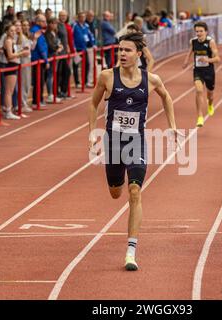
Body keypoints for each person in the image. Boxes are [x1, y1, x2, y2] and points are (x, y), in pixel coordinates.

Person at [88, 31, 179, 271]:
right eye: (120, 50)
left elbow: (167, 97)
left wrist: (172, 127)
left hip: (136, 141)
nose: (122, 54)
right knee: (115, 193)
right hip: (113, 143)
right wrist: (91, 131)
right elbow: (93, 103)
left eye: (127, 50)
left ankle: (131, 251)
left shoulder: (152, 80)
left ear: (139, 54)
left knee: (135, 191)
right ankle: (116, 184)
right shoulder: (107, 77)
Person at [182, 21, 220, 127]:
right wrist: (186, 61)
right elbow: (190, 51)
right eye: (197, 31)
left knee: (210, 94)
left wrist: (207, 59)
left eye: (201, 31)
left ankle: (210, 104)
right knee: (199, 90)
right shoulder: (193, 42)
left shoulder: (211, 42)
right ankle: (200, 116)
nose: (198, 33)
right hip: (198, 70)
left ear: (206, 32)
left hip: (209, 71)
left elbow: (218, 58)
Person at [3, 24, 28, 119]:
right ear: (7, 32)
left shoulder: (12, 41)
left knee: (11, 90)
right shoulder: (8, 41)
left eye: (14, 31)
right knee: (9, 91)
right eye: (11, 31)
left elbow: (13, 53)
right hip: (11, 65)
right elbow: (10, 56)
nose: (13, 32)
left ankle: (9, 110)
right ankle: (8, 111)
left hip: (14, 65)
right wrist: (21, 53)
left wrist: (20, 51)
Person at [30, 14, 49, 108]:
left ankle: (38, 100)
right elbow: (41, 47)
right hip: (38, 60)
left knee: (40, 81)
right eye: (43, 21)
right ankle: (37, 101)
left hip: (39, 59)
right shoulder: (36, 31)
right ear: (38, 22)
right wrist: (46, 61)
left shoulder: (38, 30)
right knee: (39, 81)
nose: (45, 23)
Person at [73, 12, 95, 88]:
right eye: (81, 17)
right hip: (77, 50)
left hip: (84, 49)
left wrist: (93, 44)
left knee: (87, 65)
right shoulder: (75, 26)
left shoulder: (86, 26)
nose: (82, 18)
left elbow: (90, 35)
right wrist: (73, 47)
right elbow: (71, 37)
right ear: (78, 18)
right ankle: (77, 82)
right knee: (76, 66)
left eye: (84, 17)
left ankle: (85, 82)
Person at [44, 17, 63, 103]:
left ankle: (52, 93)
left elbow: (58, 42)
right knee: (50, 76)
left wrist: (60, 46)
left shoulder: (55, 33)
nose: (55, 25)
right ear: (50, 24)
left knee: (52, 75)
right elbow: (50, 45)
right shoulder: (47, 34)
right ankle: (50, 94)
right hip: (51, 56)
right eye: (53, 23)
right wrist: (57, 48)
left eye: (56, 23)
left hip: (56, 56)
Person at [18, 19, 34, 113]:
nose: (26, 27)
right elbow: (20, 50)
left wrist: (34, 39)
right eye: (24, 25)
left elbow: (31, 48)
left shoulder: (26, 36)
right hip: (23, 61)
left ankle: (24, 102)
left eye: (27, 25)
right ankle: (23, 104)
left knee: (27, 83)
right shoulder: (20, 37)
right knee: (24, 83)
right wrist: (24, 51)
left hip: (28, 60)